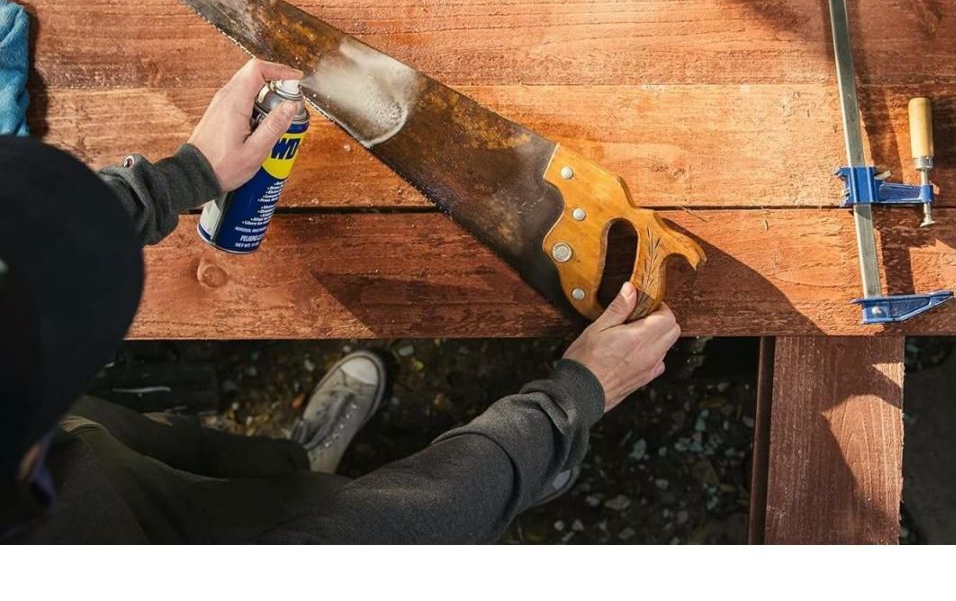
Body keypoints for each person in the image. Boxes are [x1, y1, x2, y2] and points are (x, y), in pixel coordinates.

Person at [0, 60, 681, 544]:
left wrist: (180, 177)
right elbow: (384, 533)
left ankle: (291, 462)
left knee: (176, 452)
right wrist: (566, 407)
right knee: (314, 513)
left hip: (66, 460)